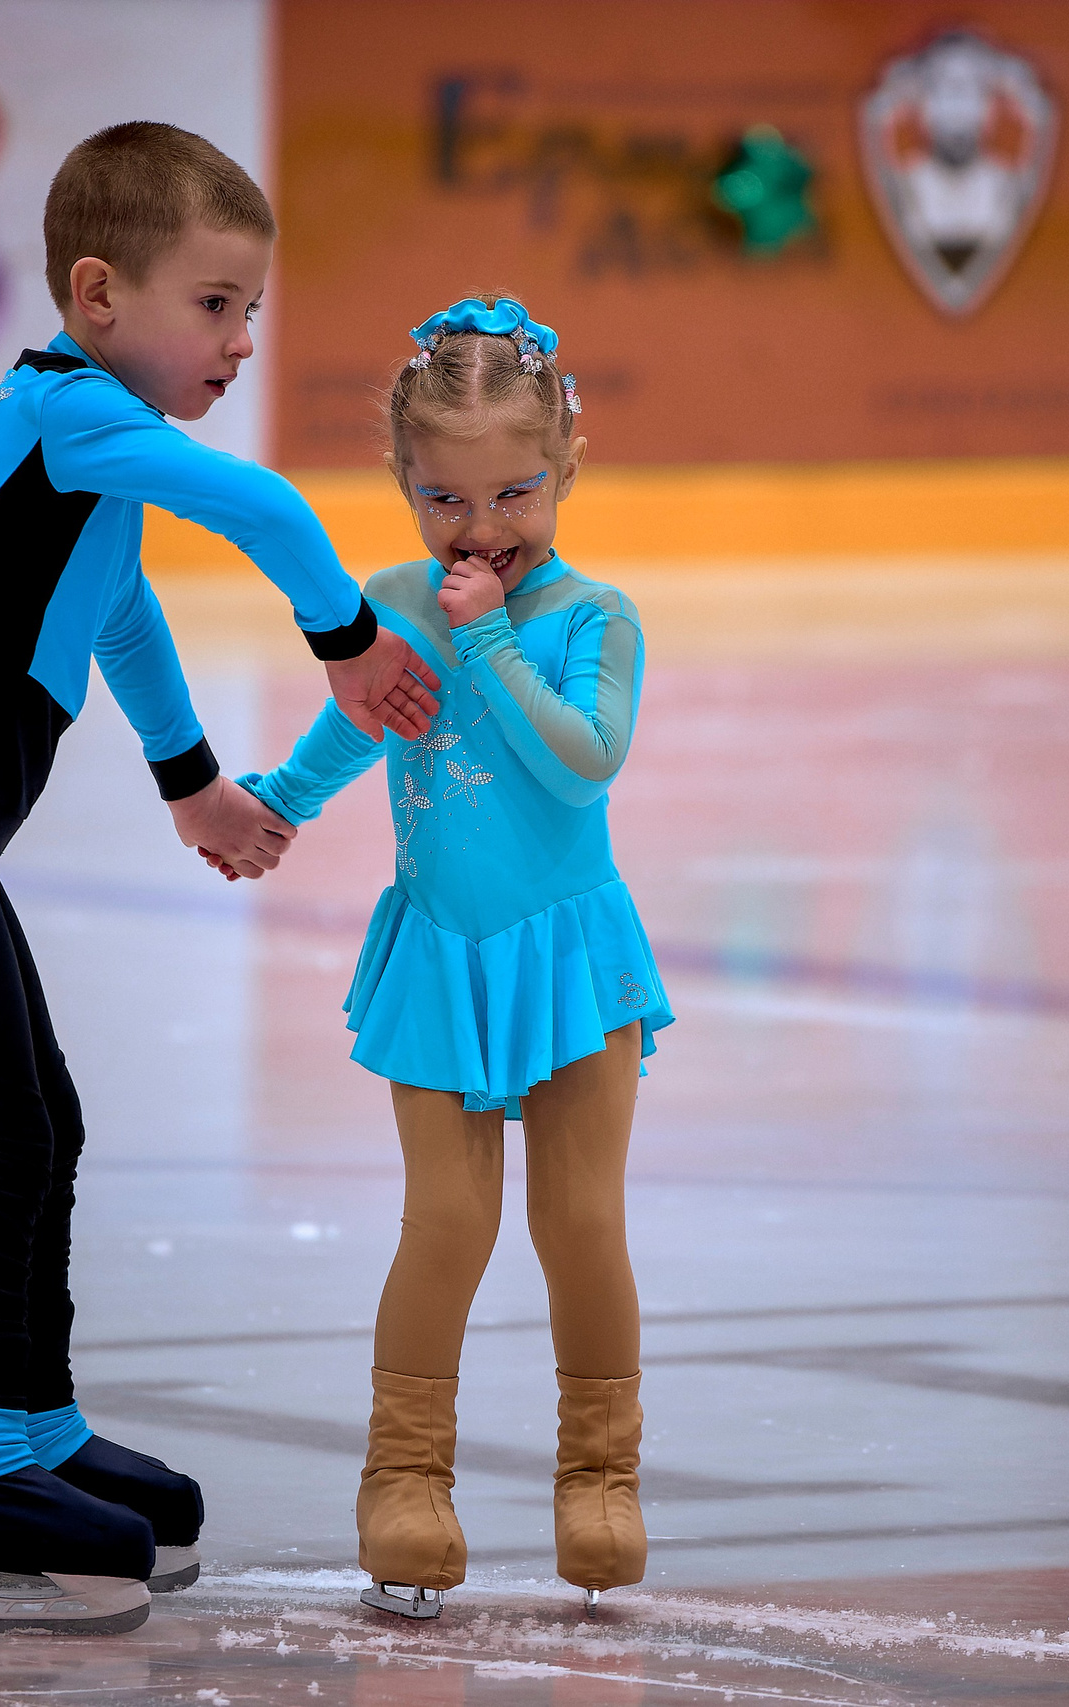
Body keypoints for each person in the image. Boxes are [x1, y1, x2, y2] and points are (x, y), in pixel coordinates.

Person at [0, 122, 440, 1636]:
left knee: (41, 1121)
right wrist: (351, 647)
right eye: (215, 304)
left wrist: (191, 780)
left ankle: (29, 1432)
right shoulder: (67, 413)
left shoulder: (84, 458)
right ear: (96, 295)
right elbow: (267, 509)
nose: (243, 337)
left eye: (249, 306)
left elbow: (120, 607)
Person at [235, 296, 672, 1620]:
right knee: (447, 1222)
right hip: (441, 957)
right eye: (444, 501)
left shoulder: (594, 619)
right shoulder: (393, 607)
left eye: (512, 493)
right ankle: (403, 1479)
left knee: (579, 1220)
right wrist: (273, 804)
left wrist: (486, 636)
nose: (478, 529)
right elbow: (353, 729)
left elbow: (585, 761)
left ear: (568, 467)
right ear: (402, 485)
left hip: (571, 962)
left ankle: (601, 1478)